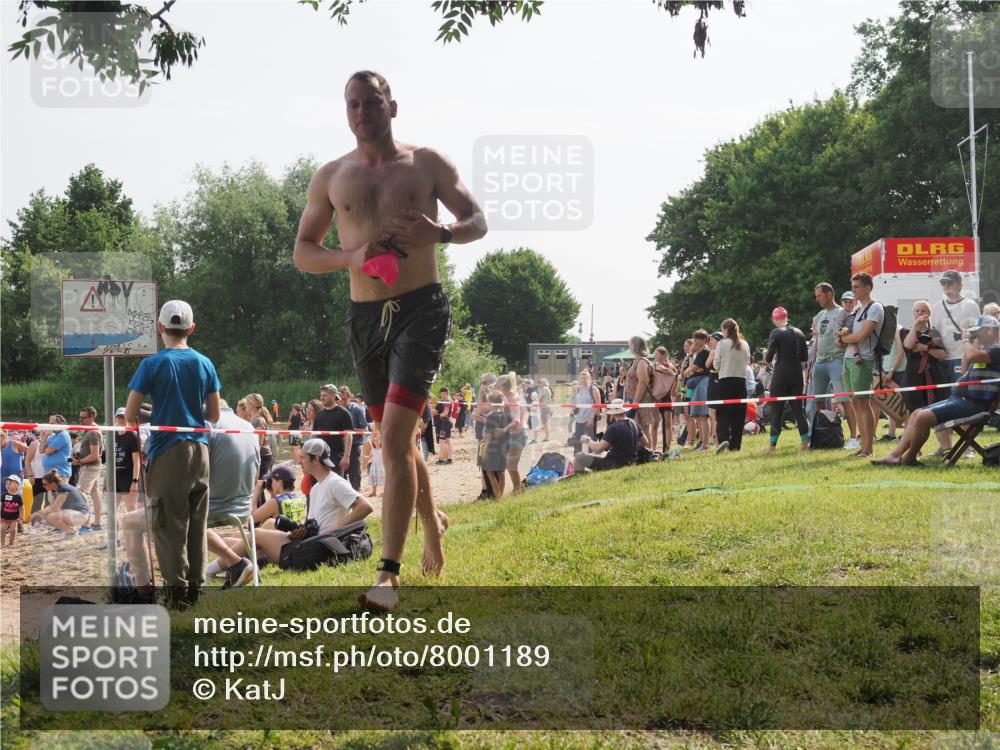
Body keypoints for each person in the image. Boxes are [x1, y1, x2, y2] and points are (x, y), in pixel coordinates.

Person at [293, 71, 486, 611]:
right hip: (364, 316)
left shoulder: (425, 163)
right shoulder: (332, 176)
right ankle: (431, 522)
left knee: (395, 436)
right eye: (352, 104)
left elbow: (478, 220)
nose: (361, 111)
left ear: (391, 106)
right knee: (394, 437)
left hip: (421, 309)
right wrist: (348, 257)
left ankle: (388, 576)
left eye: (371, 101)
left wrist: (442, 233)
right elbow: (304, 251)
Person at [125, 300, 221, 609]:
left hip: (168, 451)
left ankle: (177, 596)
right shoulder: (205, 363)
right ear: (191, 329)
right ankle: (196, 589)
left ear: (160, 327)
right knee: (196, 520)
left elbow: (129, 413)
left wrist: (159, 414)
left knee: (168, 524)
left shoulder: (152, 364)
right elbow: (215, 414)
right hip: (201, 450)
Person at [215, 438, 373, 565]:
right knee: (240, 536)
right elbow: (316, 522)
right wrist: (303, 530)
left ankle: (214, 571)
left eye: (303, 458)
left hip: (318, 548)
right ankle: (230, 561)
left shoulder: (335, 483)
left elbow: (365, 507)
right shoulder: (317, 487)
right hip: (311, 542)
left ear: (316, 459)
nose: (299, 461)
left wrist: (335, 530)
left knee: (254, 535)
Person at [873, 316, 1000, 466]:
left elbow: (973, 355)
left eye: (979, 331)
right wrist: (974, 343)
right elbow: (965, 369)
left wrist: (966, 341)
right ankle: (895, 455)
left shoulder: (996, 349)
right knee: (915, 414)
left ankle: (910, 458)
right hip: (962, 399)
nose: (976, 334)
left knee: (923, 418)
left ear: (991, 330)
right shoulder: (985, 350)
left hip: (974, 404)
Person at [202, 397, 261, 589]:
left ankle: (233, 563)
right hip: (244, 507)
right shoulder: (248, 426)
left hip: (215, 508)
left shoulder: (207, 424)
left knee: (180, 520)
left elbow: (199, 471)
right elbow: (257, 467)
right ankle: (233, 564)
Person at [836, 273, 883, 457]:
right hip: (848, 360)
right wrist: (844, 339)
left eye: (856, 287)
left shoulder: (875, 308)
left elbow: (862, 335)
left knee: (864, 403)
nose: (853, 290)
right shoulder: (857, 310)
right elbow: (845, 339)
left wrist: (844, 338)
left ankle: (868, 448)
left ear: (867, 288)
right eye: (853, 286)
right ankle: (863, 446)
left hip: (863, 360)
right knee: (855, 403)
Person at [807, 284, 854, 429]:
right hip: (820, 362)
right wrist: (813, 364)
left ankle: (853, 438)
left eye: (819, 296)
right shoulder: (820, 315)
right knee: (818, 399)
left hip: (837, 360)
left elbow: (848, 335)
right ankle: (825, 430)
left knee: (845, 399)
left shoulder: (843, 312)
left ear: (829, 294)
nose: (817, 299)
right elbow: (818, 341)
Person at [765, 307, 810, 453]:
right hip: (797, 374)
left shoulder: (776, 332)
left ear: (775, 319)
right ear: (787, 317)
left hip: (781, 374)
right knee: (798, 410)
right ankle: (804, 444)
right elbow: (805, 359)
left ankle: (772, 446)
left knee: (776, 410)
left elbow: (768, 358)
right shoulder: (800, 333)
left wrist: (767, 354)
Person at [931, 270, 981, 383]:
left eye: (950, 283)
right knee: (943, 397)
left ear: (960, 285)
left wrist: (971, 358)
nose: (946, 285)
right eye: (943, 283)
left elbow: (978, 334)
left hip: (961, 359)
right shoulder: (937, 307)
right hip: (940, 360)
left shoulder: (971, 306)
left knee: (959, 395)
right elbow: (933, 332)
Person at [900, 300, 948, 414]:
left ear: (929, 313)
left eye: (923, 310)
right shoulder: (905, 331)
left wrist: (926, 348)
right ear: (913, 313)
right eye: (917, 310)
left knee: (936, 410)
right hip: (913, 377)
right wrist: (915, 326)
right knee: (914, 411)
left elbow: (942, 354)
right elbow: (908, 344)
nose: (920, 313)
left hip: (933, 375)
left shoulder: (934, 332)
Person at [573, 399, 646, 473]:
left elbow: (598, 449)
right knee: (598, 454)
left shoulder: (614, 427)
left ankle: (580, 477)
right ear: (624, 410)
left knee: (578, 456)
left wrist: (587, 439)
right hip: (631, 462)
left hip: (615, 464)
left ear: (613, 413)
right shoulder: (633, 423)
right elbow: (646, 442)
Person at [713, 318, 751, 452]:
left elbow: (716, 365)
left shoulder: (722, 344)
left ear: (726, 330)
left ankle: (723, 439)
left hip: (725, 381)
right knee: (739, 415)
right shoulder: (745, 344)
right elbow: (747, 363)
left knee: (723, 413)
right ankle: (736, 445)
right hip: (741, 382)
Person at [313, 385, 354, 480]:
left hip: (336, 457)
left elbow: (349, 435)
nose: (321, 398)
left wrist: (346, 456)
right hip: (319, 456)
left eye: (325, 395)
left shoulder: (344, 413)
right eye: (321, 395)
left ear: (333, 395)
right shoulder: (319, 414)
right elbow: (314, 435)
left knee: (336, 485)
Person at [497, 373, 528, 493]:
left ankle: (517, 490)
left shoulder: (513, 398)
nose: (498, 389)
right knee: (510, 464)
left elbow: (516, 421)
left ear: (504, 386)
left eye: (499, 386)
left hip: (519, 434)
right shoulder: (507, 397)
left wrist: (504, 430)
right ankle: (517, 489)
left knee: (511, 464)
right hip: (514, 434)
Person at [32, 470, 88, 535]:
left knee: (49, 517)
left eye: (45, 484)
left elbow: (54, 508)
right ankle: (69, 530)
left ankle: (71, 532)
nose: (43, 486)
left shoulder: (63, 489)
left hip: (81, 515)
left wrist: (39, 514)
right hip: (78, 514)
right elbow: (52, 507)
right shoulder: (60, 488)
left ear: (52, 483)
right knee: (46, 517)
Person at [481, 390, 511, 499]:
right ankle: (500, 496)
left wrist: (484, 452)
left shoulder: (491, 417)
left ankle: (497, 497)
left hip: (493, 448)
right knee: (501, 472)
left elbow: (488, 437)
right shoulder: (506, 415)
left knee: (490, 472)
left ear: (491, 402)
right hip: (504, 447)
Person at [684, 330, 711, 451]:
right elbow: (687, 372)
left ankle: (705, 444)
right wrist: (692, 369)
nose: (696, 345)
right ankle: (702, 442)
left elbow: (691, 369)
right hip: (698, 384)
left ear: (705, 340)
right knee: (699, 416)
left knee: (703, 415)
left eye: (698, 343)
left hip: (703, 383)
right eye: (695, 342)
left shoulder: (704, 352)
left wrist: (692, 367)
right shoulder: (698, 354)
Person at [339, 385, 368, 490]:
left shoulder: (356, 409)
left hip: (354, 446)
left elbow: (365, 430)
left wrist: (351, 430)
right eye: (340, 399)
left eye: (344, 398)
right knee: (341, 475)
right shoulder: (338, 410)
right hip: (340, 447)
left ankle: (357, 493)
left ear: (349, 397)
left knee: (354, 474)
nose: (342, 401)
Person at [113, 408, 141, 512]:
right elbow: (110, 460)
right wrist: (107, 480)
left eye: (123, 417)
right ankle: (116, 528)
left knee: (131, 508)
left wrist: (135, 481)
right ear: (115, 419)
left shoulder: (132, 436)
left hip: (128, 478)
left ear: (127, 419)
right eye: (119, 417)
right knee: (112, 509)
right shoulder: (113, 435)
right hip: (115, 477)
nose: (121, 420)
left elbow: (136, 461)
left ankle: (135, 528)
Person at [244, 393, 275, 480]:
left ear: (252, 405)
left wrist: (253, 458)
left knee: (258, 486)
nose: (245, 405)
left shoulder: (259, 420)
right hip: (258, 455)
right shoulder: (253, 419)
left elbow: (259, 443)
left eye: (247, 403)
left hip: (262, 456)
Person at [570, 369, 601, 449]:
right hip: (579, 419)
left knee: (590, 440)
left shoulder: (593, 390)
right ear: (579, 379)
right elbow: (575, 402)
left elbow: (598, 405)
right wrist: (574, 408)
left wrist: (591, 418)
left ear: (589, 379)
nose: (583, 380)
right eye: (581, 378)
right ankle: (577, 458)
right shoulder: (577, 389)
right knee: (577, 441)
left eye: (585, 378)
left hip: (589, 419)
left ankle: (593, 459)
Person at [433, 387, 454, 465]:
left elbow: (445, 413)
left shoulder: (446, 401)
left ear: (445, 393)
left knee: (442, 441)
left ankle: (441, 459)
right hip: (446, 423)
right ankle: (449, 458)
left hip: (444, 423)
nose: (440, 395)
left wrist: (440, 415)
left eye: (441, 393)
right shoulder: (448, 401)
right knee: (448, 440)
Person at [2, 475, 23, 546]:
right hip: (3, 517)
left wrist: (22, 515)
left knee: (13, 530)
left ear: (17, 486)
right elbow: (1, 504)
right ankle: (2, 544)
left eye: (10, 483)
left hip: (14, 518)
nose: (7, 485)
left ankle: (11, 544)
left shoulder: (18, 497)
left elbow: (21, 507)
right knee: (2, 530)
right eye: (6, 484)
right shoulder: (4, 495)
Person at [366, 433, 384, 498]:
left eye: (377, 440)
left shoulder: (383, 450)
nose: (376, 442)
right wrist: (364, 457)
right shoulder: (372, 450)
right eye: (374, 440)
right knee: (374, 479)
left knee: (383, 479)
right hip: (374, 466)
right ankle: (374, 492)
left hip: (381, 466)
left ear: (380, 441)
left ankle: (385, 492)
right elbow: (370, 456)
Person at [538, 378, 553, 443]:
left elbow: (539, 397)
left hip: (544, 408)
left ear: (543, 383)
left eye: (540, 382)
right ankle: (546, 435)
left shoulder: (544, 389)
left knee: (545, 423)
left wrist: (536, 398)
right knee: (544, 423)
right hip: (546, 407)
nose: (539, 384)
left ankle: (547, 437)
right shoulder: (547, 388)